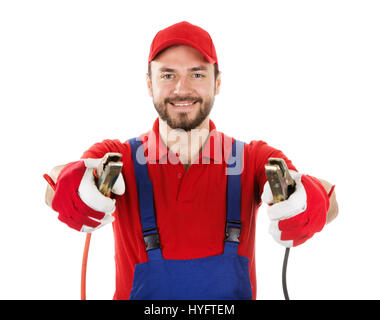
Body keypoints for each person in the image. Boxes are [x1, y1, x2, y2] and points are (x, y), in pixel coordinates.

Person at [45, 21, 338, 300]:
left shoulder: (250, 158)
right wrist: (74, 187)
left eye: (197, 74)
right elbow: (55, 183)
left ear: (217, 82)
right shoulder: (118, 156)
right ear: (149, 83)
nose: (181, 89)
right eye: (168, 75)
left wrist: (307, 203)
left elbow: (327, 199)